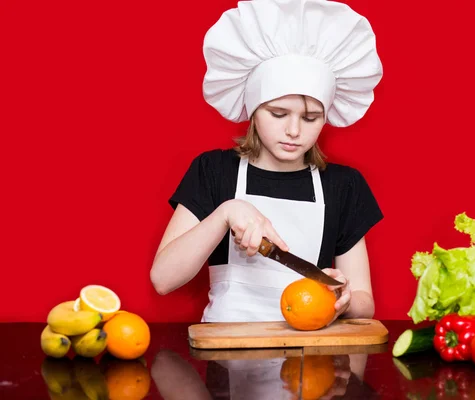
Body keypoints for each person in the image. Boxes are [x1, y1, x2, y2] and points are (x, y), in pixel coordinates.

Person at [150, 0, 384, 325]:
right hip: (225, 352)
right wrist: (226, 212)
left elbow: (363, 300)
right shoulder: (214, 171)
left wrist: (344, 299)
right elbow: (163, 279)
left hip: (307, 360)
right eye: (277, 114)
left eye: (311, 118)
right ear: (253, 109)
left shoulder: (343, 185)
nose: (293, 130)